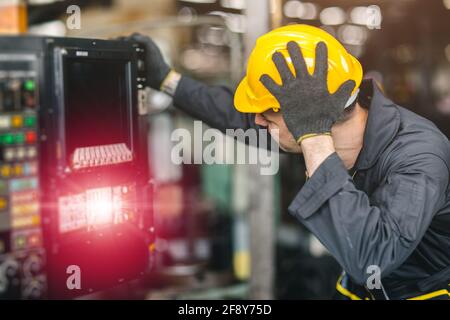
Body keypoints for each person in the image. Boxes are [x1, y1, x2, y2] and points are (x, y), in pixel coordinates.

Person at [125, 24, 450, 300]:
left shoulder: (418, 155)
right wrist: (166, 79)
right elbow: (234, 115)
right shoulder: (319, 129)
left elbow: (372, 257)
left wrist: (314, 137)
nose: (259, 123)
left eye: (267, 113)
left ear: (311, 118)